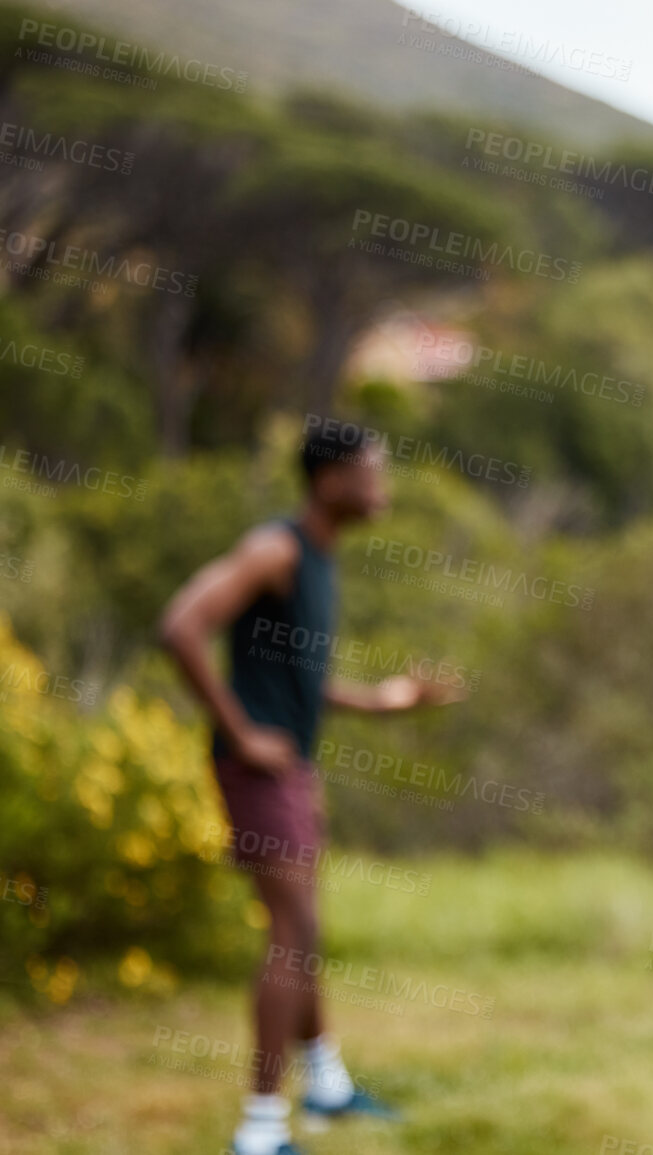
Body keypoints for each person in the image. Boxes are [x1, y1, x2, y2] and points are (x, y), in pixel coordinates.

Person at [159, 422, 463, 1155]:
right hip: (259, 768)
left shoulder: (319, 559)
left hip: (289, 769)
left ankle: (324, 1084)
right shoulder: (277, 549)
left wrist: (388, 700)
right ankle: (260, 1130)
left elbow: (301, 680)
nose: (379, 487)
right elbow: (182, 626)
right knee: (291, 933)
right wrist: (241, 733)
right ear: (327, 480)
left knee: (303, 926)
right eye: (369, 472)